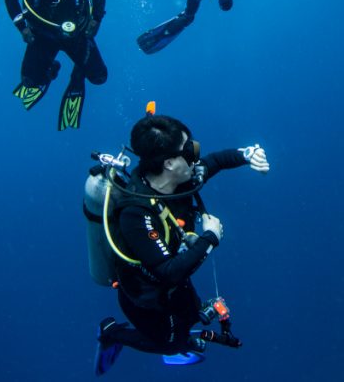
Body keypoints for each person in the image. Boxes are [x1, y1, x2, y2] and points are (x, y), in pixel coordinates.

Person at [94, 114, 270, 375]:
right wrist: (211, 237)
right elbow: (168, 271)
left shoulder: (181, 179)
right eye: (189, 150)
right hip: (147, 299)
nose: (196, 156)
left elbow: (216, 162)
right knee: (170, 342)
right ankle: (112, 333)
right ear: (168, 163)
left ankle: (184, 335)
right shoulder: (136, 213)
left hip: (176, 284)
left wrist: (247, 154)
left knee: (190, 315)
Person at [4, 0, 106, 129]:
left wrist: (96, 19)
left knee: (99, 77)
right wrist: (22, 28)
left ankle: (78, 72)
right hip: (41, 35)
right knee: (30, 82)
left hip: (77, 32)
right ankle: (51, 68)